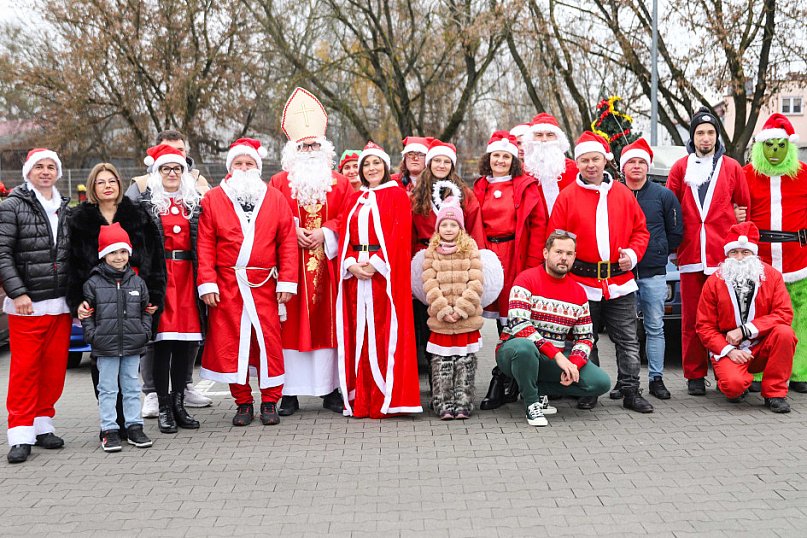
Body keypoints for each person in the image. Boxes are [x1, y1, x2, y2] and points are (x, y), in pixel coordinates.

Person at [197, 137, 298, 427]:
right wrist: (208, 283)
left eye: (249, 163)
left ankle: (270, 401)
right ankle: (243, 402)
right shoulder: (213, 198)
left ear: (258, 166)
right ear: (230, 166)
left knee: (268, 342)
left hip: (265, 282)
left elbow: (287, 243)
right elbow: (204, 244)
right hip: (228, 283)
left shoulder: (274, 197)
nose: (244, 167)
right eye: (238, 163)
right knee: (232, 343)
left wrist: (287, 282)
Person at [549, 132, 653, 413]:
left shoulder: (622, 193)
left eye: (595, 159)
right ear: (578, 163)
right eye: (584, 160)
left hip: (619, 282)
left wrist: (632, 254)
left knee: (628, 339)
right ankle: (589, 389)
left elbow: (640, 231)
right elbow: (556, 238)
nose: (590, 165)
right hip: (582, 282)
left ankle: (631, 389)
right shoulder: (567, 197)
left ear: (605, 160)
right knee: (586, 339)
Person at [269, 88, 353, 416]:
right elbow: (269, 220)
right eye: (303, 146)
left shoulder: (340, 183)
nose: (309, 149)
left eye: (314, 144)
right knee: (289, 328)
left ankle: (329, 390)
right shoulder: (277, 182)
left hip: (327, 271)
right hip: (290, 269)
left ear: (324, 148)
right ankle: (288, 393)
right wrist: (293, 228)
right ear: (293, 150)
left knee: (327, 325)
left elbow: (348, 217)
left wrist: (326, 231)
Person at [68, 163, 165, 439]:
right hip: (99, 303)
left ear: (120, 185)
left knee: (130, 370)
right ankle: (112, 424)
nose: (107, 186)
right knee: (104, 369)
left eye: (112, 181)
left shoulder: (137, 214)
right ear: (93, 187)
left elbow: (154, 258)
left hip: (134, 301)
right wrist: (77, 300)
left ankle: (132, 423)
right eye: (101, 182)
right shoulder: (79, 219)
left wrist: (155, 295)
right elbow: (72, 263)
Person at [666, 107, 750, 395]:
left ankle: (728, 367)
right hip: (690, 255)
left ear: (717, 136)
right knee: (691, 319)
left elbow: (744, 207)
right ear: (692, 137)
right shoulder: (680, 168)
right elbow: (670, 208)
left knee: (727, 316)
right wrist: (674, 247)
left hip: (722, 255)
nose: (705, 138)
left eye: (710, 132)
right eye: (700, 133)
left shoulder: (731, 167)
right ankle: (694, 375)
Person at [128, 129, 212, 418]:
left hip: (188, 277)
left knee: (185, 341)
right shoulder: (145, 202)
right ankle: (162, 404)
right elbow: (135, 244)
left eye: (177, 168)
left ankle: (179, 404)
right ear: (156, 171)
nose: (172, 173)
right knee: (161, 343)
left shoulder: (195, 202)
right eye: (166, 168)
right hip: (160, 279)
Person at [336, 141, 422, 418]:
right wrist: (350, 263)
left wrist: (374, 264)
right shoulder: (354, 197)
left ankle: (387, 397)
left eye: (376, 163)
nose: (371, 168)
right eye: (366, 164)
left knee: (384, 334)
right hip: (355, 277)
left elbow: (399, 238)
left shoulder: (396, 195)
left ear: (385, 167)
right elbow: (345, 234)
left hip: (382, 279)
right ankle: (363, 398)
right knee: (360, 336)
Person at [495, 230, 611, 427]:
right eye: (558, 252)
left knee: (600, 382)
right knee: (525, 348)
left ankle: (536, 388)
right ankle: (532, 404)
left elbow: (585, 337)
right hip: (514, 352)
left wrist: (573, 364)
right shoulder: (525, 280)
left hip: (551, 357)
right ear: (545, 253)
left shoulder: (578, 292)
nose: (563, 258)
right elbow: (520, 325)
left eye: (569, 253)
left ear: (574, 257)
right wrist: (558, 357)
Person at [0, 148, 71, 464]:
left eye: (50, 167)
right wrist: (18, 293)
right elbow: (2, 254)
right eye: (39, 167)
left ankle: (43, 424)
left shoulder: (66, 207)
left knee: (53, 370)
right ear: (28, 172)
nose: (45, 172)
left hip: (61, 305)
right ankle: (19, 433)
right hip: (27, 305)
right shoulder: (12, 206)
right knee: (25, 371)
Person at [473, 131, 548, 411]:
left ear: (513, 160)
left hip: (515, 255)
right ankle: (507, 376)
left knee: (514, 319)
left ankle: (504, 378)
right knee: (498, 321)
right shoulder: (480, 186)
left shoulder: (527, 186)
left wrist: (530, 267)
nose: (501, 160)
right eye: (496, 156)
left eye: (506, 156)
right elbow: (472, 221)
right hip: (489, 256)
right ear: (489, 158)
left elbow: (539, 226)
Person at [696, 222, 797, 412]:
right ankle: (735, 380)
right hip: (730, 348)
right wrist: (728, 350)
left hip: (762, 345)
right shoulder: (714, 281)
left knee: (785, 333)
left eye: (745, 252)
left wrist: (745, 330)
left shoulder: (772, 276)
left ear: (754, 254)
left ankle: (775, 393)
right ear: (727, 255)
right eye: (734, 252)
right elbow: (704, 326)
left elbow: (784, 314)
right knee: (734, 386)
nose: (740, 258)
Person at [612, 139, 683, 400]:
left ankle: (656, 379)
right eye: (632, 161)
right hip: (621, 274)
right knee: (624, 330)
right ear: (623, 167)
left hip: (653, 272)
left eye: (642, 162)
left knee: (655, 326)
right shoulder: (614, 193)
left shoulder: (664, 195)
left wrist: (659, 250)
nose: (637, 166)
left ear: (648, 166)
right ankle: (625, 380)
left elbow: (676, 232)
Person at [744, 113, 807, 394]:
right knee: (757, 316)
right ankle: (757, 372)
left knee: (800, 317)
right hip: (761, 262)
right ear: (760, 146)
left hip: (799, 259)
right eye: (769, 146)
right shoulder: (747, 175)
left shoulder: (804, 175)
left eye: (781, 146)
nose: (774, 152)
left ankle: (799, 371)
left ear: (789, 147)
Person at [410, 139, 485, 369]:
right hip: (426, 261)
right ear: (429, 163)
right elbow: (409, 230)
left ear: (452, 166)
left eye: (446, 162)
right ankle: (436, 383)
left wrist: (478, 258)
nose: (441, 165)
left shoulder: (464, 194)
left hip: (458, 261)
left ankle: (460, 376)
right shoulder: (417, 194)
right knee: (429, 321)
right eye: (436, 161)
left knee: (458, 319)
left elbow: (474, 227)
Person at [80, 224, 154, 452]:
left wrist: (144, 332)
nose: (119, 257)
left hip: (133, 345)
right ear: (104, 255)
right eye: (113, 252)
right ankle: (109, 430)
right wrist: (93, 336)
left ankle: (134, 427)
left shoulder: (137, 282)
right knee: (108, 389)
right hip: (105, 347)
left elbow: (146, 309)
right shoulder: (93, 283)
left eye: (123, 251)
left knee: (131, 387)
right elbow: (87, 314)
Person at [422, 193, 484, 420]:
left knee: (464, 362)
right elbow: (429, 282)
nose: (448, 229)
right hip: (442, 319)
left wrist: (460, 309)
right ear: (438, 228)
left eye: (453, 224)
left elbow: (475, 281)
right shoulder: (432, 251)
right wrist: (443, 309)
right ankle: (443, 402)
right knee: (442, 362)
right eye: (444, 224)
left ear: (461, 227)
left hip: (465, 318)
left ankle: (463, 402)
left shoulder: (470, 248)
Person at [521, 113, 578, 216]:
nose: (544, 139)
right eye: (539, 135)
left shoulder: (574, 169)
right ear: (531, 139)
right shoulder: (522, 171)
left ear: (558, 139)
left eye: (550, 135)